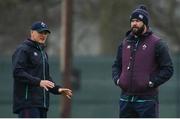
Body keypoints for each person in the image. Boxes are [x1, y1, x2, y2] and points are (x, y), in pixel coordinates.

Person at [112, 5, 173, 118]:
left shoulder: (158, 44)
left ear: (145, 23)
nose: (134, 24)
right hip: (125, 100)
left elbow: (168, 69)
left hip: (147, 101)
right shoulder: (124, 43)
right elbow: (116, 65)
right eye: (132, 21)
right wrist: (118, 80)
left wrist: (151, 82)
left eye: (138, 21)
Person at [12, 21, 72, 118]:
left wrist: (58, 89)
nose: (43, 35)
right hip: (28, 104)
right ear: (32, 33)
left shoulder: (43, 53)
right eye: (40, 32)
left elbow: (46, 77)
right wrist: (38, 82)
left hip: (42, 105)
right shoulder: (23, 49)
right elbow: (18, 72)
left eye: (45, 33)